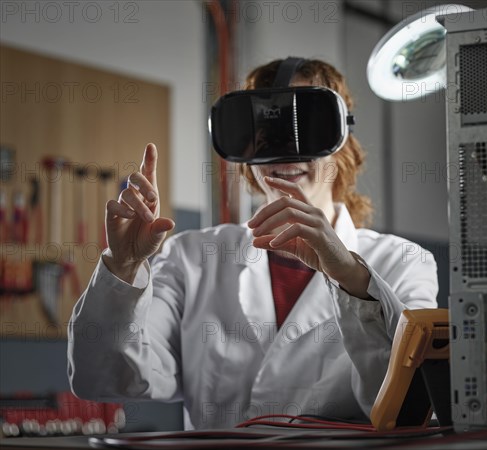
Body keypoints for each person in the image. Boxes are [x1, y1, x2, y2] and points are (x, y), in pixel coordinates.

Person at [67, 58, 438, 430]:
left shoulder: (404, 262)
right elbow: (105, 378)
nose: (284, 152)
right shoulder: (192, 258)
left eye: (306, 124)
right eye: (265, 130)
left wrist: (351, 278)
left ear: (342, 141)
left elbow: (410, 407)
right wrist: (123, 267)